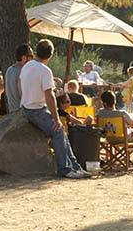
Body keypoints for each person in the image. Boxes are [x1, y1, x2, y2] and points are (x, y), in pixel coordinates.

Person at [20, 39, 90, 179]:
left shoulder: (27, 66)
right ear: (50, 55)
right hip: (36, 110)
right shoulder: (45, 70)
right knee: (58, 130)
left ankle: (75, 166)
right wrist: (56, 118)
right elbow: (49, 96)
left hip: (27, 106)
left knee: (61, 132)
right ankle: (65, 168)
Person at [98, 90, 133, 168]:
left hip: (108, 138)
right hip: (123, 139)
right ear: (114, 101)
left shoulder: (100, 113)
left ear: (103, 103)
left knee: (130, 127)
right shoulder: (121, 114)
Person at [5, 44, 34, 113]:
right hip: (22, 114)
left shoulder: (10, 69)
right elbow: (24, 95)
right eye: (31, 56)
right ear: (24, 57)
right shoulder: (23, 72)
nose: (32, 59)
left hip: (12, 111)